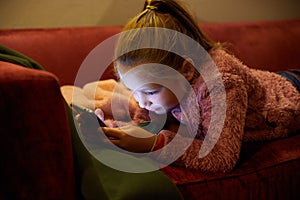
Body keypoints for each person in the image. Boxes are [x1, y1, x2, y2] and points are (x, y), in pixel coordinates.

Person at [91, 0, 300, 173]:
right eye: (133, 90)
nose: (141, 101)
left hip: (290, 93)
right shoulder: (157, 89)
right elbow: (148, 120)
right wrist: (124, 132)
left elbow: (221, 156)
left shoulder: (221, 85)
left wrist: (153, 144)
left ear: (187, 70)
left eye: (150, 91)